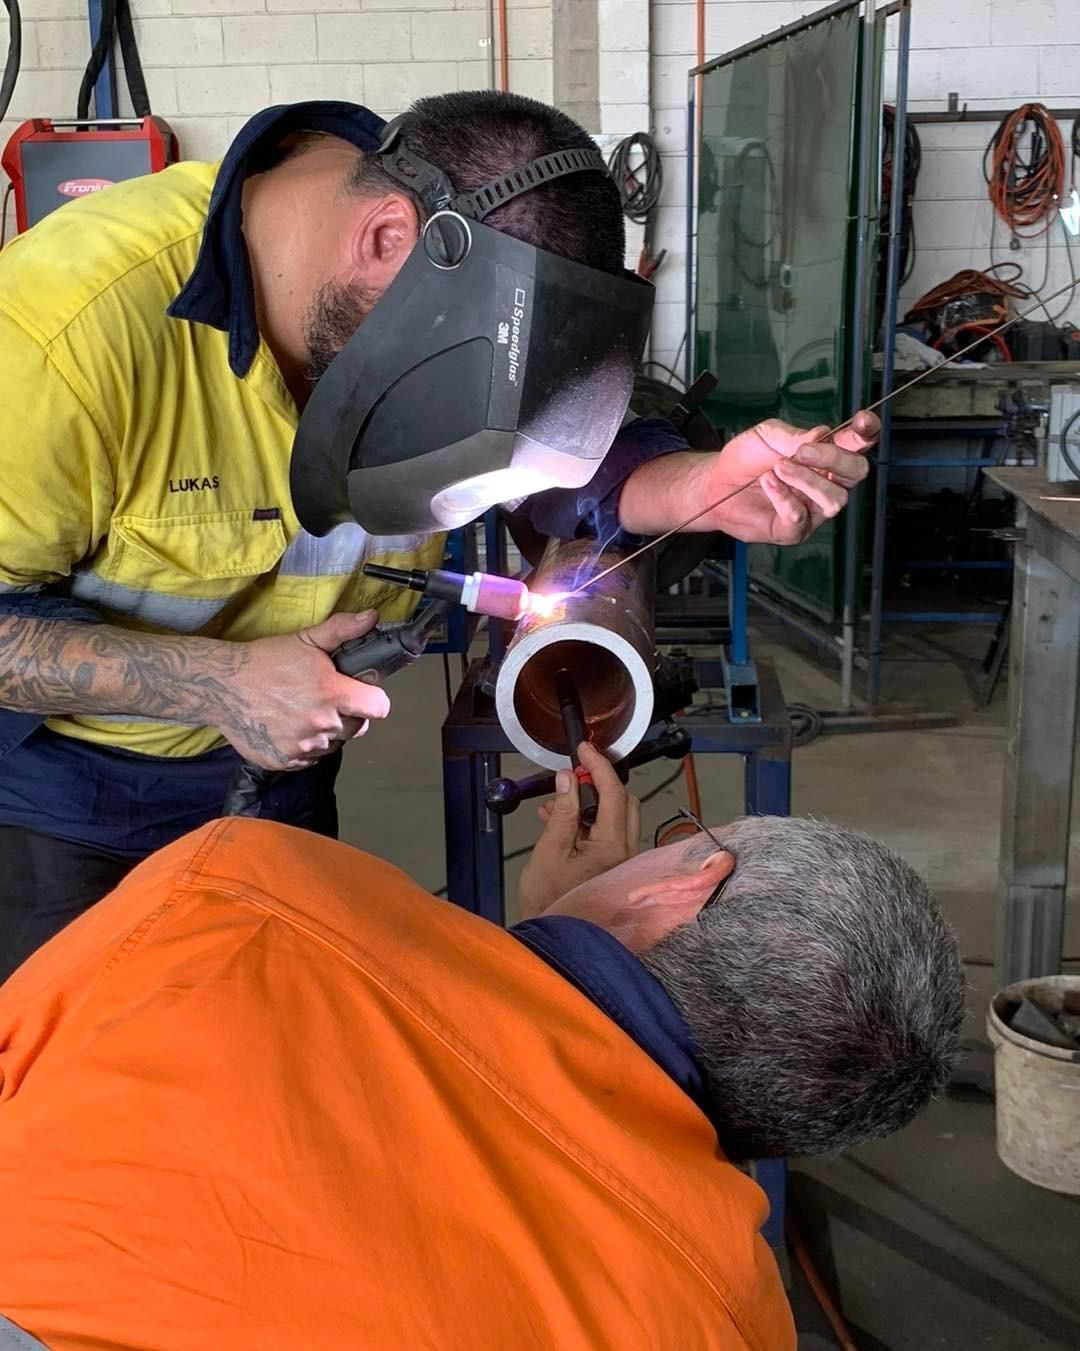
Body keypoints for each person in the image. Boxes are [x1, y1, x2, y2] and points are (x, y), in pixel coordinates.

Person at [0, 88, 878, 977]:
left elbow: (557, 481)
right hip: (74, 805)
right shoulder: (58, 336)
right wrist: (219, 682)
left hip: (289, 776)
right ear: (388, 238)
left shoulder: (412, 309)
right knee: (85, 1091)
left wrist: (699, 486)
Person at [0, 745, 964, 1350]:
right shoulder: (723, 1316)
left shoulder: (239, 889)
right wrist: (561, 936)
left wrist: (558, 937)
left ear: (685, 886)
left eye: (673, 841)